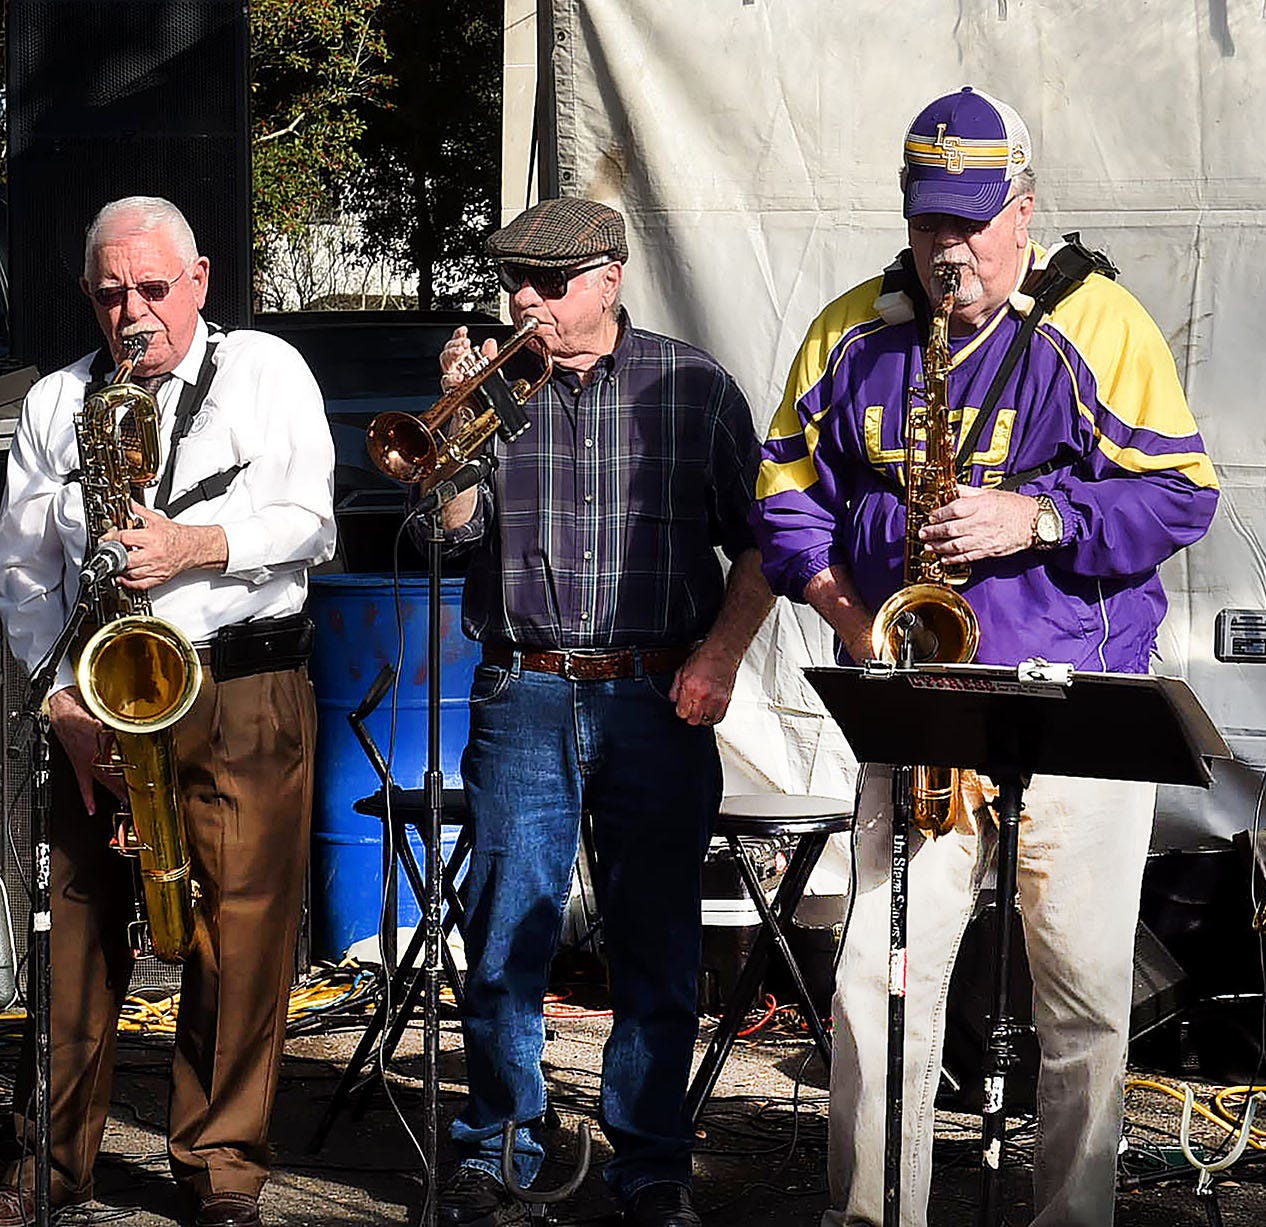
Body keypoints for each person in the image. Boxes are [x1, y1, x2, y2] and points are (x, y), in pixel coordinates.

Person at [754, 87, 1220, 1225]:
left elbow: (1182, 496)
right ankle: (872, 1214)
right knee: (876, 984)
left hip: (1072, 698)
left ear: (1024, 207)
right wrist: (845, 613)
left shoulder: (1099, 321)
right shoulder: (854, 332)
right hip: (914, 699)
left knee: (1084, 1001)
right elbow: (781, 497)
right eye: (927, 224)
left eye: (969, 222)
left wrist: (1040, 521)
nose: (947, 252)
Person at [426, 196, 772, 1227]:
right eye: (513, 282)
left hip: (657, 692)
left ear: (609, 278)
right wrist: (452, 435)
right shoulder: (496, 391)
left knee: (656, 945)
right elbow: (447, 535)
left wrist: (719, 659)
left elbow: (763, 542)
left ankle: (653, 1166)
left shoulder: (696, 386)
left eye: (547, 281)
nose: (522, 300)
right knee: (502, 942)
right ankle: (496, 1154)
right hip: (523, 685)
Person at [0, 196, 335, 1227]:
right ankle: (50, 1167)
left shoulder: (266, 370)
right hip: (101, 694)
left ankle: (222, 1171)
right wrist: (60, 702)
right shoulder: (61, 403)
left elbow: (313, 520)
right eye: (110, 295)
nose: (131, 314)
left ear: (198, 280)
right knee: (80, 935)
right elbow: (21, 573)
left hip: (241, 686)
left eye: (152, 289)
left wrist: (194, 545)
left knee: (242, 936)